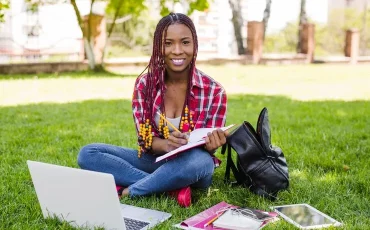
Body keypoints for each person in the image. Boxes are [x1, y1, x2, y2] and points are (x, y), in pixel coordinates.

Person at [77, 12, 228, 208]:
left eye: (185, 42)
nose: (177, 50)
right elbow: (145, 140)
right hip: (155, 160)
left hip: (191, 167)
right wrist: (166, 145)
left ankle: (134, 190)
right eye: (168, 43)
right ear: (159, 47)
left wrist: (211, 145)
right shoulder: (145, 85)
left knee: (202, 161)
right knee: (88, 153)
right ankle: (170, 189)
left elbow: (208, 149)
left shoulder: (214, 91)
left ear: (194, 45)